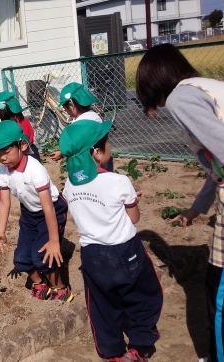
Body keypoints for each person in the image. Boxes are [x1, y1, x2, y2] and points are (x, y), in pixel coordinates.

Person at [135, 43, 224, 362]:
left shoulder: (180, 97)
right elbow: (217, 165)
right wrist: (195, 210)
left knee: (220, 293)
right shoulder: (207, 87)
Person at [59, 120, 162, 362]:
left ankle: (112, 353)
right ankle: (140, 346)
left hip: (92, 255)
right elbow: (133, 218)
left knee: (102, 307)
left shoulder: (69, 185)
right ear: (96, 152)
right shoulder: (119, 181)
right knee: (146, 296)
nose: (109, 146)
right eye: (107, 143)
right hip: (125, 251)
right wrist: (131, 200)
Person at [0, 121, 73, 302]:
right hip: (29, 213)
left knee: (42, 254)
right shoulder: (3, 172)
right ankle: (39, 282)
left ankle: (60, 287)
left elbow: (48, 207)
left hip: (51, 210)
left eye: (6, 151)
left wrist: (54, 240)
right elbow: (4, 203)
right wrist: (0, 231)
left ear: (23, 145)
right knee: (21, 258)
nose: (2, 157)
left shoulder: (34, 169)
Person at [49, 82, 114, 172]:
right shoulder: (94, 116)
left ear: (71, 105)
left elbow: (76, 146)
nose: (65, 111)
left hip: (90, 164)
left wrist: (62, 153)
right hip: (104, 158)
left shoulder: (78, 125)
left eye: (65, 108)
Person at [0, 91, 41, 161]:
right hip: (32, 151)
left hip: (23, 155)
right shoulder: (24, 120)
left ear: (4, 110)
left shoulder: (12, 125)